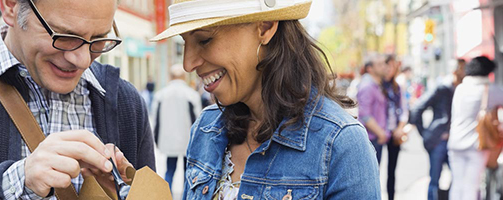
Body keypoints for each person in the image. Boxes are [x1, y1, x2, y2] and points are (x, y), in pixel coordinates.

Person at [150, 0, 381, 199]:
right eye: (184, 43)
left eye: (204, 40)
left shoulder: (341, 144)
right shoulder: (206, 128)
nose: (188, 64)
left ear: (265, 27)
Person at [0, 0, 156, 198]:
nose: (83, 60)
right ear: (10, 7)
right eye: (66, 37)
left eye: (98, 39)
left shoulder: (126, 102)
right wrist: (17, 183)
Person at [448, 56, 503, 200]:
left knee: (457, 185)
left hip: (455, 143)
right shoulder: (487, 90)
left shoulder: (460, 88)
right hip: (476, 145)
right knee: (471, 186)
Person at [409, 58, 466, 200]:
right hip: (439, 141)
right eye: (462, 69)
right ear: (455, 71)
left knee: (459, 177)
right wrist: (426, 134)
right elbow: (417, 109)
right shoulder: (443, 88)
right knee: (435, 179)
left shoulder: (463, 90)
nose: (465, 73)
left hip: (455, 140)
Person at [151, 64, 202, 190]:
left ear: (170, 77)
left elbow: (155, 119)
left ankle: (167, 196)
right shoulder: (191, 95)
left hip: (168, 140)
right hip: (188, 140)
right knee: (187, 172)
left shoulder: (161, 95)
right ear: (184, 77)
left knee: (169, 170)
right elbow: (198, 119)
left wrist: (156, 140)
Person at [381, 55, 409, 200]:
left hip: (394, 132)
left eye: (392, 66)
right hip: (379, 133)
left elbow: (404, 110)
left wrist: (399, 128)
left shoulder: (397, 87)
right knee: (375, 168)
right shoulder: (377, 85)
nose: (389, 69)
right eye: (387, 65)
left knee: (392, 170)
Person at [358, 57, 389, 160]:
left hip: (376, 138)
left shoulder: (377, 85)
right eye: (379, 64)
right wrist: (381, 134)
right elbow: (365, 115)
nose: (384, 67)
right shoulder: (367, 86)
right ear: (370, 69)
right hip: (371, 139)